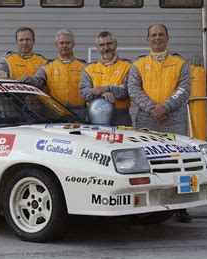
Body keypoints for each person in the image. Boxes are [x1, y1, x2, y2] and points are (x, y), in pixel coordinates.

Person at [128, 24, 192, 223]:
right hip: (147, 119)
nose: (157, 38)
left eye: (160, 35)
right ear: (147, 39)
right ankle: (148, 205)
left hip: (173, 120)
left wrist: (166, 107)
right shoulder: (138, 65)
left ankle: (183, 206)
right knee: (147, 163)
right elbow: (134, 90)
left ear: (167, 38)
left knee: (180, 163)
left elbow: (184, 89)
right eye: (153, 35)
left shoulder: (180, 64)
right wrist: (152, 108)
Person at [23, 29, 87, 120]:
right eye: (61, 43)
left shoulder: (84, 66)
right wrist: (30, 79)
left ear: (73, 44)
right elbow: (37, 81)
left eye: (67, 43)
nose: (64, 46)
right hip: (56, 113)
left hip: (80, 113)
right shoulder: (47, 67)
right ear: (56, 45)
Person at [80, 31, 132, 126]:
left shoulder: (127, 66)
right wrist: (102, 94)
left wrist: (106, 89)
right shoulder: (89, 68)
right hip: (95, 117)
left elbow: (127, 92)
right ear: (97, 48)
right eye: (102, 45)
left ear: (115, 44)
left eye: (109, 44)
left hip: (121, 118)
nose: (106, 48)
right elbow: (84, 92)